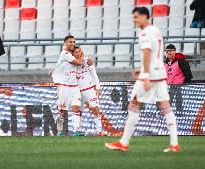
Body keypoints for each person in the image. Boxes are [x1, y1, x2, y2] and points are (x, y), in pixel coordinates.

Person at [105, 7, 179, 152]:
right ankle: (174, 144)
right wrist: (143, 68)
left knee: (133, 104)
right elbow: (155, 55)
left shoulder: (144, 33)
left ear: (145, 16)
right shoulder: (156, 30)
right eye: (133, 17)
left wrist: (145, 75)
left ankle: (124, 142)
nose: (134, 20)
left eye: (136, 17)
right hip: (160, 74)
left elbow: (147, 53)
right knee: (165, 107)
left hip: (150, 76)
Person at [49, 35, 84, 136]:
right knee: (62, 111)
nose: (72, 43)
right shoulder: (64, 53)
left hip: (74, 86)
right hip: (64, 86)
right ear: (65, 43)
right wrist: (82, 54)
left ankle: (77, 131)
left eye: (73, 42)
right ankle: (59, 131)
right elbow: (78, 63)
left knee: (76, 108)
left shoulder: (72, 54)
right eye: (70, 42)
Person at [72, 45, 104, 135]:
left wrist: (97, 87)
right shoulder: (69, 62)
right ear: (72, 53)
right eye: (76, 52)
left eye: (79, 51)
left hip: (89, 89)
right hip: (76, 90)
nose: (78, 54)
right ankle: (77, 131)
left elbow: (94, 74)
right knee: (77, 109)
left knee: (95, 108)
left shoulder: (87, 60)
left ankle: (99, 131)